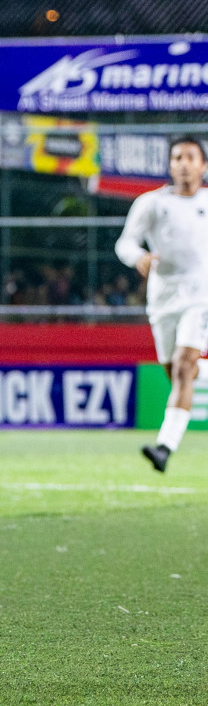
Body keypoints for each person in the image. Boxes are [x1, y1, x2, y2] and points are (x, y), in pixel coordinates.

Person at [116, 136, 208, 472]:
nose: (184, 163)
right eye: (177, 157)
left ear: (203, 166)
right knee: (178, 372)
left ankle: (164, 448)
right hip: (162, 300)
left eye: (190, 157)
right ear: (170, 165)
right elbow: (125, 242)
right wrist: (137, 256)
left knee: (184, 367)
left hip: (200, 297)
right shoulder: (152, 203)